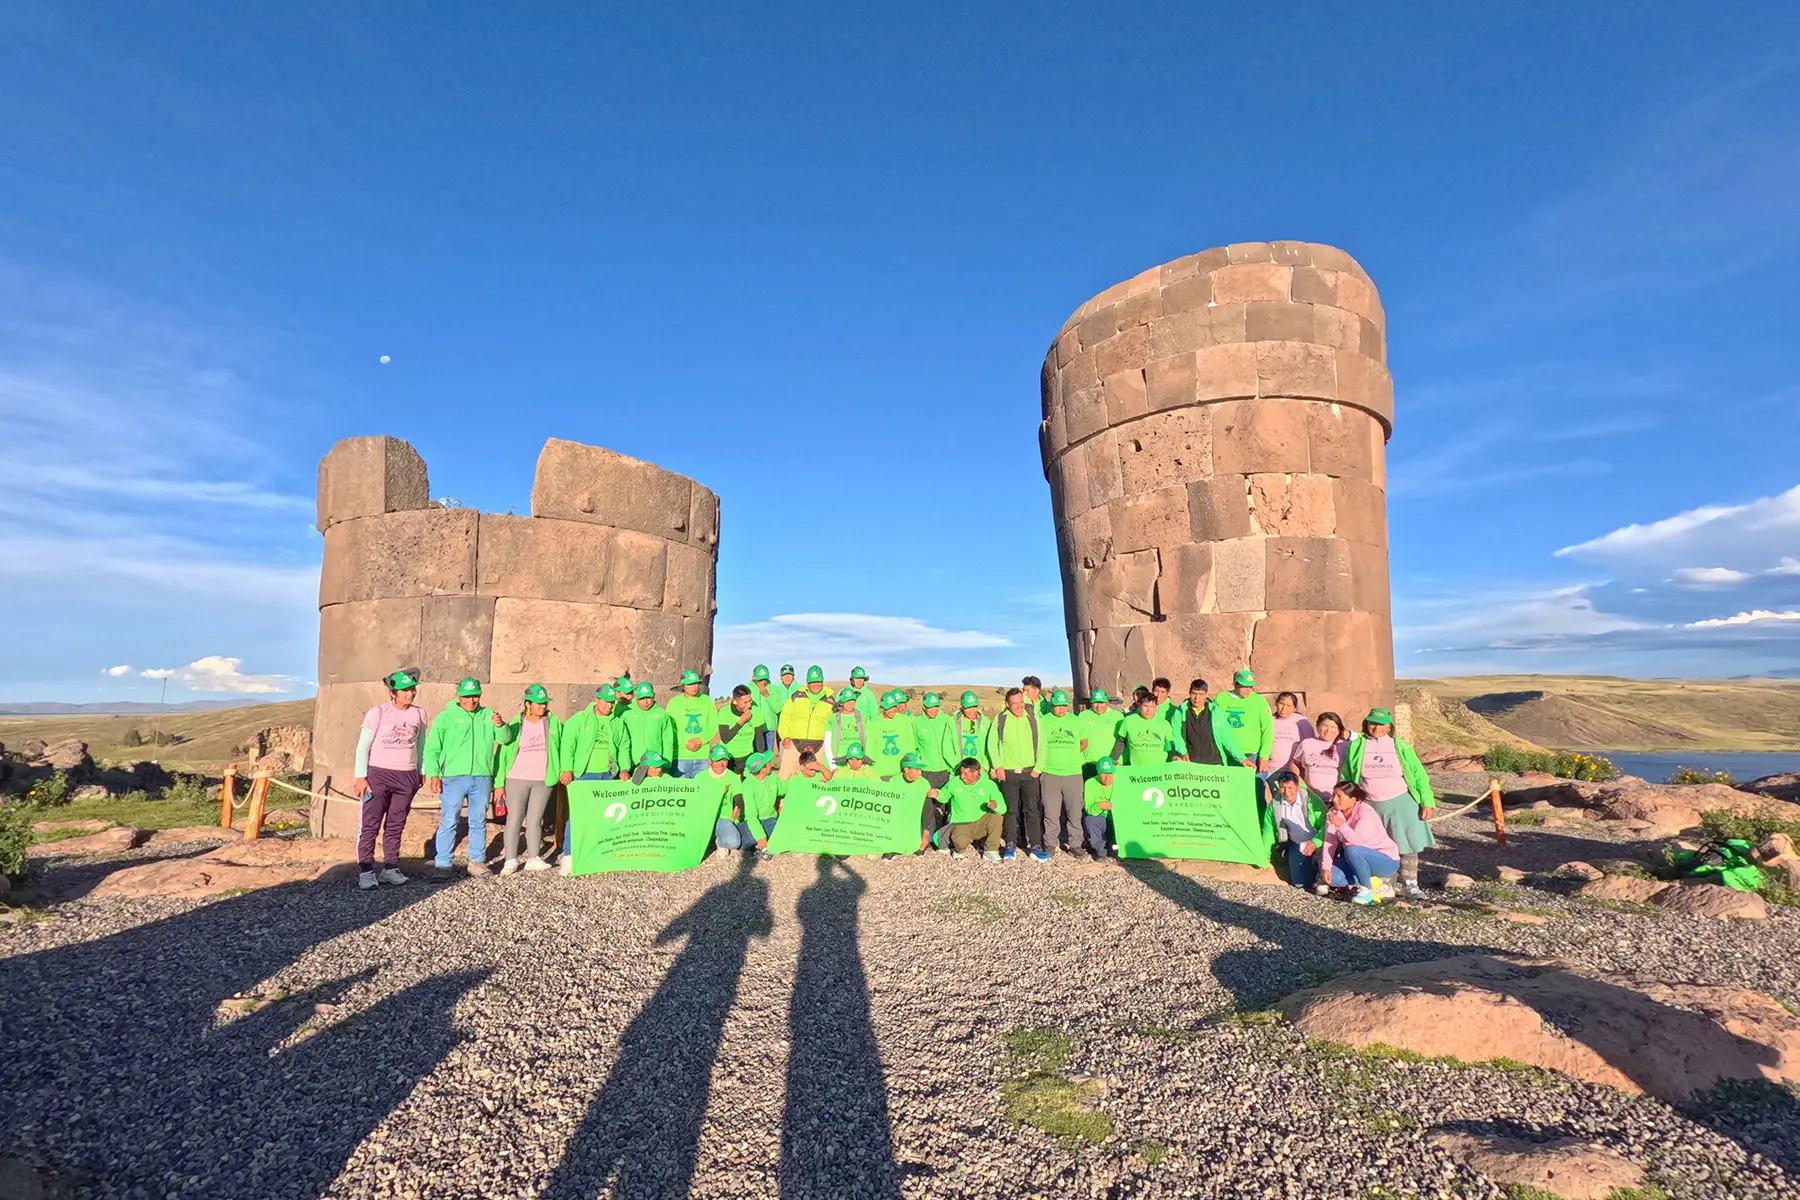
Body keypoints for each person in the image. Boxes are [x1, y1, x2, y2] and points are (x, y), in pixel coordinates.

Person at [422, 677, 516, 876]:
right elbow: (432, 749)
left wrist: (500, 726)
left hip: (481, 777)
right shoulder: (445, 718)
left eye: (474, 696)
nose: (470, 700)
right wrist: (434, 774)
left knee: (478, 820)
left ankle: (477, 861)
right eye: (466, 696)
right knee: (449, 820)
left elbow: (506, 739)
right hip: (452, 777)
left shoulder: (489, 715)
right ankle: (443, 863)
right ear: (458, 696)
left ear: (480, 695)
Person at [1341, 708, 1436, 898]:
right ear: (1366, 724)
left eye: (1382, 724)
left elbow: (1418, 775)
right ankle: (1382, 884)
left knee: (1407, 843)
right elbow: (1347, 774)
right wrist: (1347, 801)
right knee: (1374, 845)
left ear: (1389, 726)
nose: (1377, 728)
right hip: (1369, 804)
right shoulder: (1356, 746)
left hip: (1400, 800)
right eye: (1373, 723)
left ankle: (1410, 884)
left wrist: (1427, 801)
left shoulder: (1400, 746)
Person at [350, 668, 428, 889]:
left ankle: (390, 868)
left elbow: (420, 744)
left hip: (407, 775)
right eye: (405, 690)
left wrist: (420, 770)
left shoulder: (419, 714)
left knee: (396, 824)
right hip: (378, 774)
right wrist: (360, 776)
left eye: (412, 689)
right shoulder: (378, 713)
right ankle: (366, 871)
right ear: (393, 692)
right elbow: (363, 746)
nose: (410, 694)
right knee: (370, 824)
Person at [557, 684, 628, 874]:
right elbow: (567, 745)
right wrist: (567, 769)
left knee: (604, 816)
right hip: (583, 774)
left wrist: (625, 768)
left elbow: (624, 747)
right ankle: (569, 855)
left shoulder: (617, 723)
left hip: (608, 775)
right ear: (596, 700)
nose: (609, 706)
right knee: (577, 816)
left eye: (612, 703)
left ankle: (598, 855)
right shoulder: (579, 720)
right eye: (606, 702)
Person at [493, 683, 563, 876]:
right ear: (527, 704)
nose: (543, 706)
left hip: (543, 779)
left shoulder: (553, 723)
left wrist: (560, 771)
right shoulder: (515, 725)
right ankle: (510, 860)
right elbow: (502, 754)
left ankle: (533, 858)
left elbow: (561, 748)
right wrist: (499, 784)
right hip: (516, 777)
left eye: (545, 702)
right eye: (539, 703)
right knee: (514, 818)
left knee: (535, 819)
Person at [1318, 781, 1400, 904]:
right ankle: (1376, 884)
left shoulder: (1366, 812)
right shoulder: (1334, 813)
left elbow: (1357, 842)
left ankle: (1366, 890)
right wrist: (1326, 867)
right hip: (1354, 859)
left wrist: (1341, 824)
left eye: (1339, 796)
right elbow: (1330, 842)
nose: (1334, 799)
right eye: (1334, 795)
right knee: (1332, 877)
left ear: (1352, 800)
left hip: (1385, 859)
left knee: (1352, 849)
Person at [987, 687, 1043, 861]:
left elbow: (1043, 744)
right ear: (1007, 704)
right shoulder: (1001, 719)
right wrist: (998, 766)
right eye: (1015, 704)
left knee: (1032, 810)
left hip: (1030, 772)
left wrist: (1038, 768)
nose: (1019, 706)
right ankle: (1010, 844)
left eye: (1021, 702)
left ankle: (1035, 845)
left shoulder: (1033, 718)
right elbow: (992, 745)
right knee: (1011, 811)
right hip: (1008, 773)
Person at [1037, 688, 1087, 856]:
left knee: (1074, 811)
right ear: (1052, 705)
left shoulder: (1076, 720)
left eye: (1064, 705)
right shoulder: (1043, 721)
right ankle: (1050, 843)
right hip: (1050, 772)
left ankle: (1075, 844)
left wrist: (1070, 756)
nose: (1061, 709)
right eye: (1057, 705)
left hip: (1073, 773)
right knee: (1051, 811)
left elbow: (1083, 743)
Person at [1168, 679, 1254, 768]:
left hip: (1214, 764)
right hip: (1191, 764)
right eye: (1194, 693)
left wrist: (1242, 758)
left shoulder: (1215, 712)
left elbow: (1227, 738)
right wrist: (1182, 753)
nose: (1197, 698)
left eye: (1201, 694)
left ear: (1206, 695)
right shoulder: (1180, 712)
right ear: (1189, 693)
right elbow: (1176, 735)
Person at [939, 756, 1007, 861]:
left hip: (979, 823)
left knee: (996, 817)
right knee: (961, 844)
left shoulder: (989, 785)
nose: (962, 777)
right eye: (961, 773)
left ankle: (991, 851)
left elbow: (1003, 809)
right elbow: (944, 795)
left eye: (966, 774)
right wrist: (936, 794)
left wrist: (995, 806)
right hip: (960, 823)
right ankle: (958, 850)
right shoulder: (954, 782)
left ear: (975, 773)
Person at [1269, 769, 1325, 890]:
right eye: (1283, 787)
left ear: (1297, 787)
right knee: (1299, 884)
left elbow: (1326, 825)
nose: (1287, 792)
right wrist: (1265, 854)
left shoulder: (1312, 800)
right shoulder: (1275, 804)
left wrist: (1315, 843)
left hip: (1319, 842)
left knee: (1323, 886)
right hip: (1297, 844)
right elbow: (1268, 828)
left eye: (1290, 787)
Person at [1212, 669, 1275, 771]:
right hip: (1226, 754)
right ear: (1235, 684)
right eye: (1244, 686)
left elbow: (1267, 730)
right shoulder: (1221, 699)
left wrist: (1264, 756)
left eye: (1251, 686)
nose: (1248, 689)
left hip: (1251, 755)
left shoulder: (1259, 701)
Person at [778, 665, 834, 775]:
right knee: (786, 774)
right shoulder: (796, 696)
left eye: (818, 681)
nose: (816, 685)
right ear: (807, 682)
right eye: (812, 682)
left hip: (818, 745)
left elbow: (833, 724)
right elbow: (785, 717)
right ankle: (783, 793)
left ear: (823, 681)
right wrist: (785, 736)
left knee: (815, 778)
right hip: (794, 743)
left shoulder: (830, 700)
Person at [665, 670, 716, 778]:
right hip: (681, 756)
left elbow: (713, 724)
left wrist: (702, 740)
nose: (694, 687)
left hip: (702, 756)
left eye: (696, 683)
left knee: (701, 791)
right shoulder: (674, 703)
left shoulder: (706, 700)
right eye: (690, 684)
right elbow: (670, 728)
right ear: (683, 685)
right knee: (681, 792)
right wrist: (685, 742)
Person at [1286, 711, 1347, 798]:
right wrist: (1298, 781)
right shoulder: (1307, 743)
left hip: (1335, 798)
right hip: (1310, 796)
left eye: (1333, 727)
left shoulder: (1345, 746)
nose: (1328, 730)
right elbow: (1295, 763)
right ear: (1318, 726)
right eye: (1325, 726)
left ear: (1339, 729)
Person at [712, 683, 766, 772]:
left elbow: (759, 738)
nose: (749, 705)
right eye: (745, 702)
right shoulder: (724, 712)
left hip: (748, 756)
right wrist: (741, 722)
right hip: (729, 757)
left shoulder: (755, 711)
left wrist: (759, 758)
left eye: (750, 701)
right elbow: (725, 738)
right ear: (735, 702)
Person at [620, 682, 674, 770]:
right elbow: (620, 741)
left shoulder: (662, 715)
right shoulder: (626, 713)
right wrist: (623, 766)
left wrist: (667, 765)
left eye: (648, 697)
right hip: (632, 764)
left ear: (654, 696)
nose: (645, 702)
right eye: (642, 698)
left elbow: (668, 741)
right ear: (636, 697)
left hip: (654, 765)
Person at [865, 690, 917, 780]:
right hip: (880, 772)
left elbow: (910, 745)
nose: (892, 710)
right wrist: (870, 771)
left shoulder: (904, 721)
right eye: (888, 707)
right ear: (882, 707)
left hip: (900, 771)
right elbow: (870, 749)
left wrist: (909, 766)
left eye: (894, 707)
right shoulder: (874, 723)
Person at [736, 750, 780, 855]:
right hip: (752, 820)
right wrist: (760, 836)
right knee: (747, 841)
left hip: (770, 818)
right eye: (768, 763)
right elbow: (751, 816)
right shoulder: (748, 785)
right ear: (763, 769)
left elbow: (782, 788)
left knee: (779, 836)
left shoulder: (772, 777)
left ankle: (758, 845)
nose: (771, 764)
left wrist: (795, 780)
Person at [895, 753, 940, 853]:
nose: (920, 773)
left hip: (918, 819)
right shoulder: (894, 782)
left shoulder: (923, 783)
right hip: (902, 819)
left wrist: (926, 833)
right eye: (917, 769)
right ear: (906, 770)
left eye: (921, 769)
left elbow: (928, 809)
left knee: (921, 845)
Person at [1116, 691, 1176, 765]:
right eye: (1145, 706)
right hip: (1137, 770)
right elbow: (1121, 743)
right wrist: (1116, 760)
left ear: (1156, 707)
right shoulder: (1128, 721)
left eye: (1152, 707)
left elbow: (1170, 745)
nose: (1148, 710)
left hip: (1158, 770)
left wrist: (1174, 755)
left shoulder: (1164, 724)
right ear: (1139, 705)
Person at [911, 692, 954, 791]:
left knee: (944, 803)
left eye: (936, 706)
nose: (934, 710)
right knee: (929, 803)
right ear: (924, 707)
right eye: (930, 707)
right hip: (927, 771)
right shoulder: (916, 724)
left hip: (946, 769)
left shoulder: (947, 720)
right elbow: (914, 747)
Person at [943, 691, 992, 774]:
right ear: (961, 706)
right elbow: (947, 747)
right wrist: (958, 767)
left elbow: (990, 746)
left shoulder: (985, 722)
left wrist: (984, 767)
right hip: (960, 772)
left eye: (974, 706)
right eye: (968, 707)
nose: (972, 710)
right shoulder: (952, 722)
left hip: (980, 771)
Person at [1270, 692, 1316, 776]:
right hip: (1270, 766)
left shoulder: (1301, 721)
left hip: (1294, 769)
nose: (1283, 708)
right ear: (1276, 703)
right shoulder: (1269, 719)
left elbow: (1311, 744)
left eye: (1288, 706)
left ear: (1294, 708)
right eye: (1281, 704)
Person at [1081, 756, 1117, 862]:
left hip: (1116, 820)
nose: (1107, 777)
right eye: (1104, 774)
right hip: (1100, 819)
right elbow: (1089, 809)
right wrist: (1100, 805)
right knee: (1090, 820)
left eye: (1110, 773)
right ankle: (1100, 850)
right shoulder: (1090, 783)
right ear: (1098, 772)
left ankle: (1112, 845)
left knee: (1114, 851)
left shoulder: (1120, 782)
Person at [1079, 689, 1121, 777]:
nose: (1098, 706)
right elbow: (1078, 741)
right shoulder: (1083, 716)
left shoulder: (1118, 716)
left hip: (1111, 764)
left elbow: (1122, 741)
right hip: (1089, 764)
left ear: (1107, 702)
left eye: (1101, 702)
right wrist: (1081, 761)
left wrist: (1119, 761)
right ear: (1091, 702)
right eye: (1095, 702)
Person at [823, 688, 867, 770]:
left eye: (853, 700)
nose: (850, 703)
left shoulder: (861, 718)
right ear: (841, 703)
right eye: (847, 701)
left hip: (857, 764)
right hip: (838, 764)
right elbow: (827, 744)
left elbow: (867, 740)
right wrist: (833, 767)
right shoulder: (833, 718)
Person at [748, 665, 787, 755]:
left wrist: (767, 695)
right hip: (754, 727)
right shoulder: (748, 689)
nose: (763, 682)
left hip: (769, 728)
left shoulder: (773, 689)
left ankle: (768, 769)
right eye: (760, 680)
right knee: (755, 755)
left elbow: (778, 709)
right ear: (754, 678)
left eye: (765, 679)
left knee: (767, 756)